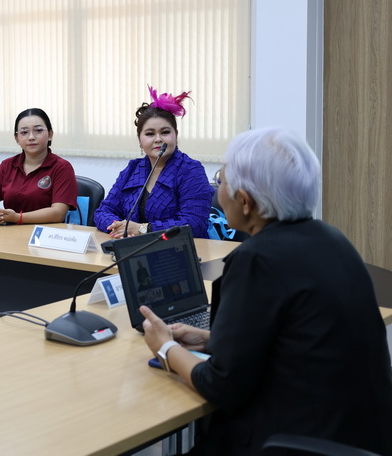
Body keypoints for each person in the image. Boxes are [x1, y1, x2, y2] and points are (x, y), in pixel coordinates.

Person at [140, 128, 392, 455]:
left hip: (292, 443)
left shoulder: (256, 260)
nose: (218, 190)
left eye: (221, 180)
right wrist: (209, 340)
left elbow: (220, 385)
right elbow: (295, 341)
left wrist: (165, 348)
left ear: (245, 202)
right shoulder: (333, 240)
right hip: (357, 437)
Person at [94, 86, 213, 238]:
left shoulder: (191, 170)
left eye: (165, 132)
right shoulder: (132, 169)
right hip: (133, 246)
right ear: (140, 141)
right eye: (150, 134)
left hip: (177, 248)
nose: (158, 139)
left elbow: (194, 224)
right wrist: (120, 227)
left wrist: (143, 229)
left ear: (176, 135)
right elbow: (103, 212)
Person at [0, 108, 77, 225]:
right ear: (16, 138)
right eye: (24, 132)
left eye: (38, 130)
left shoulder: (62, 168)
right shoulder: (7, 165)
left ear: (50, 134)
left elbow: (58, 213)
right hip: (10, 231)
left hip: (45, 233)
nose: (31, 137)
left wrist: (18, 218)